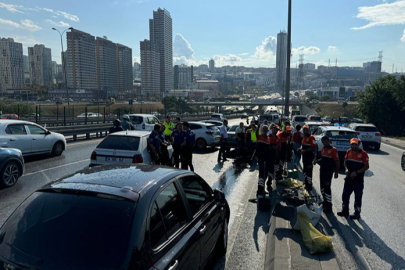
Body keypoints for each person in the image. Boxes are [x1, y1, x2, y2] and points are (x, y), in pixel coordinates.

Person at [337, 138, 369, 219]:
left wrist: (357, 172)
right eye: (352, 144)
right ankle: (345, 210)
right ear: (350, 144)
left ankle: (357, 213)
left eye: (355, 144)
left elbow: (366, 166)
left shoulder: (363, 154)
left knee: (358, 196)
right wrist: (346, 169)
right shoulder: (348, 151)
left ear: (358, 144)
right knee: (345, 195)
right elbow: (345, 161)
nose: (354, 146)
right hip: (348, 178)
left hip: (358, 180)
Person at [314, 136, 339, 212]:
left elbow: (337, 161)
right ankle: (325, 201)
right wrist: (317, 161)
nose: (325, 143)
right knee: (322, 187)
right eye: (323, 142)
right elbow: (323, 159)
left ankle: (329, 205)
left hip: (328, 172)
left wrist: (336, 172)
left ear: (329, 141)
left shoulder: (333, 150)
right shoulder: (323, 149)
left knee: (327, 188)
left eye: (326, 141)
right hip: (322, 170)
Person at [255, 124, 271, 197]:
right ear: (261, 130)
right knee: (261, 175)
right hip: (261, 159)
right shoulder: (259, 136)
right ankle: (260, 191)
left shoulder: (268, 138)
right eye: (263, 129)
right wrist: (258, 126)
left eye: (266, 129)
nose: (264, 130)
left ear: (267, 130)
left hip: (267, 159)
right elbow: (256, 133)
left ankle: (263, 188)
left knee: (265, 174)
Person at [300, 125, 316, 191]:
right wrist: (300, 149)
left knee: (309, 171)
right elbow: (302, 145)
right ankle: (306, 182)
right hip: (304, 156)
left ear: (309, 130)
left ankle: (309, 185)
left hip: (309, 156)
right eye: (304, 130)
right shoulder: (303, 137)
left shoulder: (312, 137)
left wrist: (305, 151)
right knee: (304, 170)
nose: (305, 131)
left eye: (306, 130)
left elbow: (313, 147)